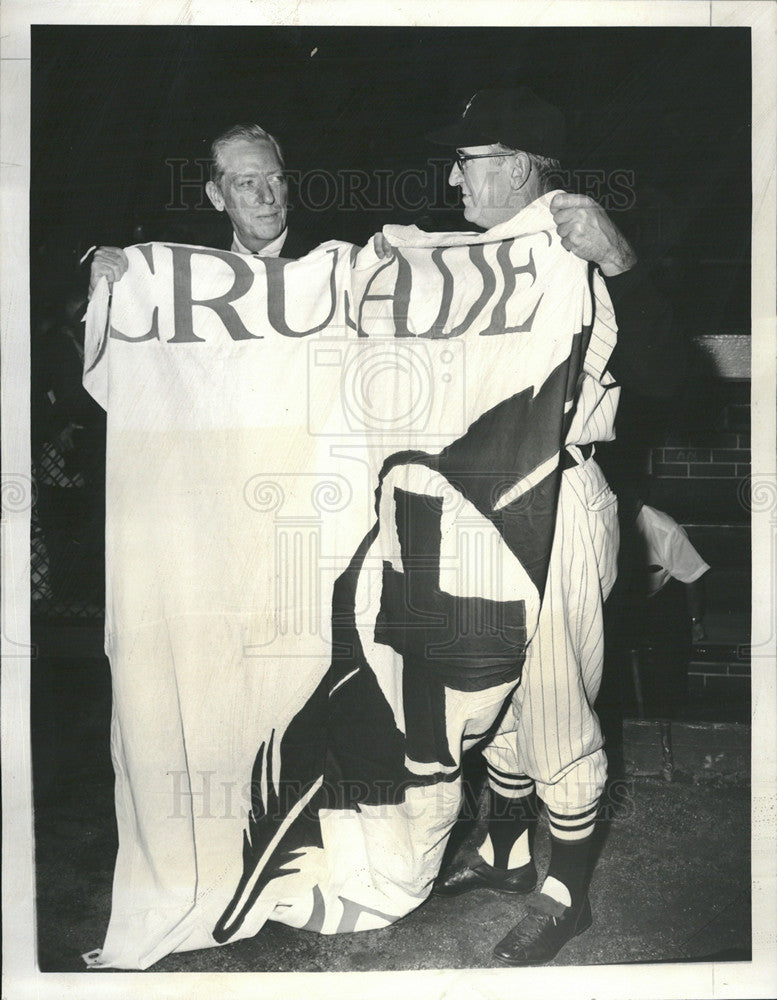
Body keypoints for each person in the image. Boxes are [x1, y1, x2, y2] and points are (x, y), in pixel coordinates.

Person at [425, 87, 691, 966]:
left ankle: (562, 895)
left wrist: (618, 259)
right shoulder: (472, 256)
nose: (453, 177)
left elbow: (671, 380)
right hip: (472, 498)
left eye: (467, 162)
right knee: (487, 686)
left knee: (552, 702)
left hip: (555, 496)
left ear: (515, 166)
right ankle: (503, 856)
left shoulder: (576, 245)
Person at [89, 123, 314, 293]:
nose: (267, 197)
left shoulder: (325, 265)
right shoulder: (186, 268)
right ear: (216, 196)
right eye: (248, 183)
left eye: (276, 179)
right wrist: (105, 294)